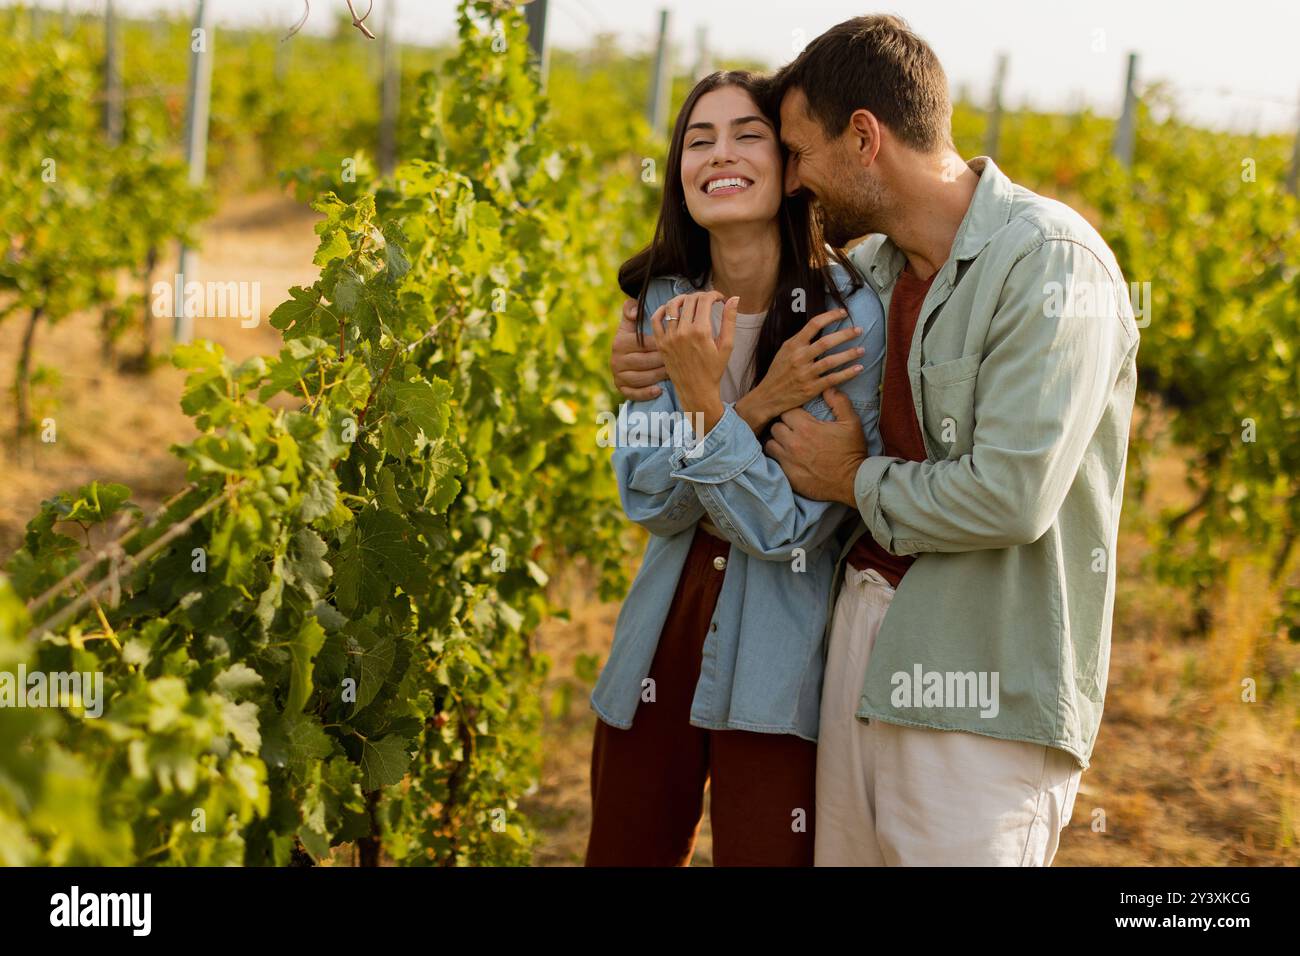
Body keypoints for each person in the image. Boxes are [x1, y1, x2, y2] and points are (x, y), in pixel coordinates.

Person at [611, 16, 1139, 866]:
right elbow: (657, 479)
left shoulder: (1051, 263)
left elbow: (1012, 496)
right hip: (860, 662)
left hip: (981, 689)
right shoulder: (875, 279)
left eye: (795, 152)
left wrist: (853, 480)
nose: (792, 181)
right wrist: (662, 364)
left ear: (863, 137)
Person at [586, 69, 886, 867]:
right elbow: (648, 500)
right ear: (680, 173)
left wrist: (702, 405)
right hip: (658, 640)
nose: (720, 154)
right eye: (698, 139)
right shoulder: (663, 305)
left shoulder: (848, 319)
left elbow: (783, 527)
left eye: (747, 134)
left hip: (780, 665)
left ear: (790, 165)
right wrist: (751, 408)